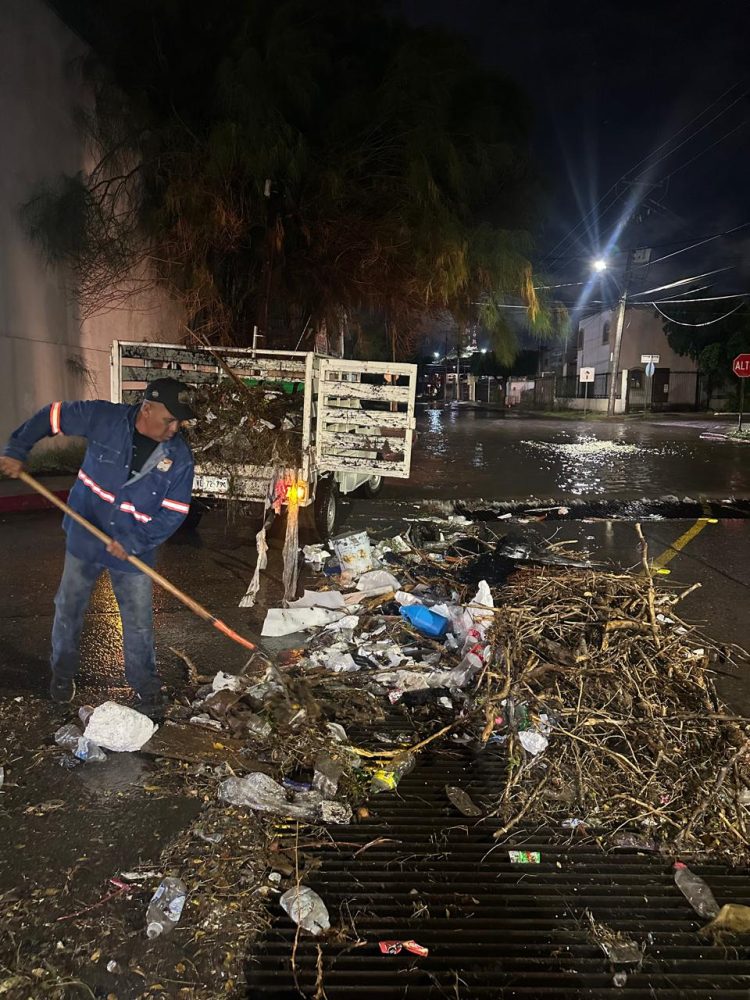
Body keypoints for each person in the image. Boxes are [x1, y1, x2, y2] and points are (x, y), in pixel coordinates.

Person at [0, 378, 195, 717]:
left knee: (137, 622)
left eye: (180, 421)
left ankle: (145, 688)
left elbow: (174, 513)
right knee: (68, 608)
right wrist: (17, 449)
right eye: (170, 419)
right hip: (86, 538)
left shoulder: (178, 457)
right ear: (147, 409)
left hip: (133, 550)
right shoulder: (103, 418)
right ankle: (62, 674)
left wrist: (134, 542)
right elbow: (53, 416)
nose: (175, 428)